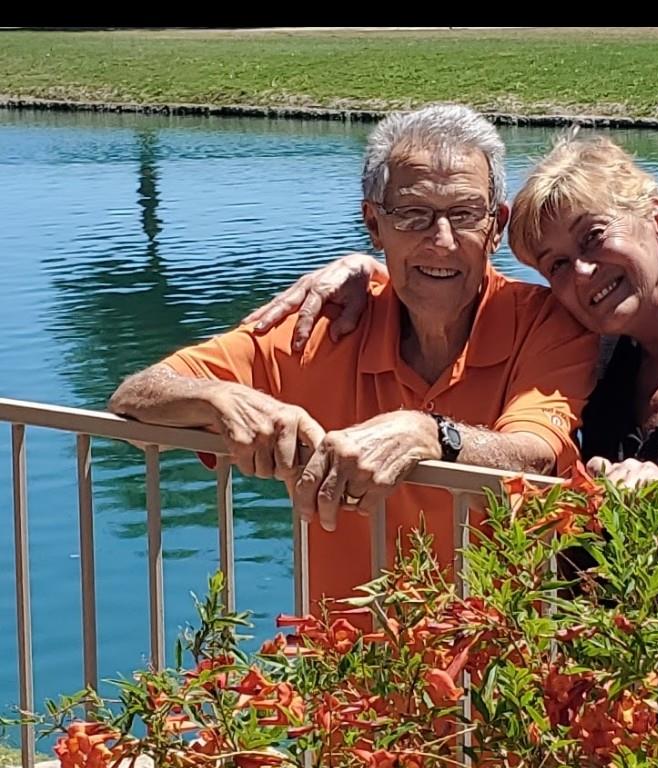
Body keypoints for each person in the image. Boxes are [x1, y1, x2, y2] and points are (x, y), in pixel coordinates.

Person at [248, 133, 658, 618]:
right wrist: (372, 270)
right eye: (556, 264)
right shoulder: (595, 345)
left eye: (594, 238)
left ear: (657, 218)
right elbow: (466, 291)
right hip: (635, 665)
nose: (583, 274)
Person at [108, 105, 599, 614]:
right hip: (347, 678)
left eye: (466, 214)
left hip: (501, 678)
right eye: (413, 215)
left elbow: (535, 455)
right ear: (373, 223)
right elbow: (135, 397)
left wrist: (430, 433)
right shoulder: (317, 326)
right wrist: (218, 397)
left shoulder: (547, 323)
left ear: (496, 226)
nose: (443, 241)